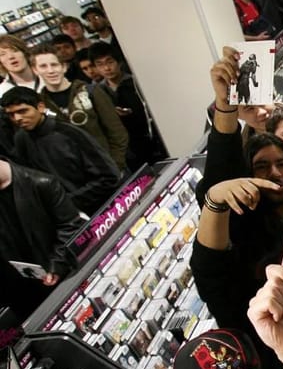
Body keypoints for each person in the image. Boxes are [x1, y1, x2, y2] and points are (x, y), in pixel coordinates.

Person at [2, 86, 120, 215]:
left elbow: (109, 176)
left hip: (102, 210)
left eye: (23, 111)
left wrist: (68, 202)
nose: (17, 118)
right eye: (11, 114)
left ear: (40, 107)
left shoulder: (70, 134)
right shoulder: (21, 138)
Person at [0, 156, 85, 316]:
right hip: (19, 292)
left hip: (58, 282)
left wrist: (56, 265)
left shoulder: (41, 183)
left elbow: (71, 226)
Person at [89, 41, 164, 168]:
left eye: (110, 62)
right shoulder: (98, 91)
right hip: (125, 150)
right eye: (100, 64)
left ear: (119, 62)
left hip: (150, 141)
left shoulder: (135, 82)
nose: (107, 68)